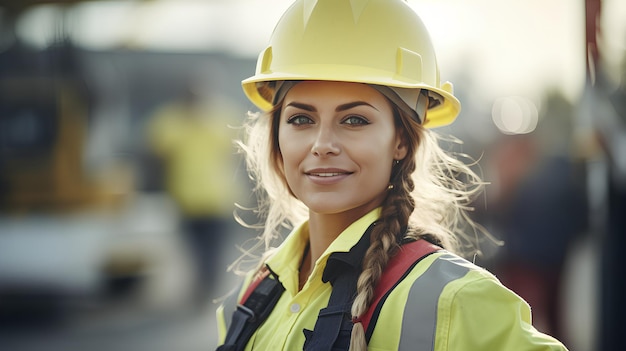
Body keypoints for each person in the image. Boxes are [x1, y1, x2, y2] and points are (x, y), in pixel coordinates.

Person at [216, 0, 569, 350]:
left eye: (354, 119)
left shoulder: (454, 300)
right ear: (277, 133)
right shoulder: (245, 300)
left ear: (400, 140)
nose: (322, 144)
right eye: (301, 119)